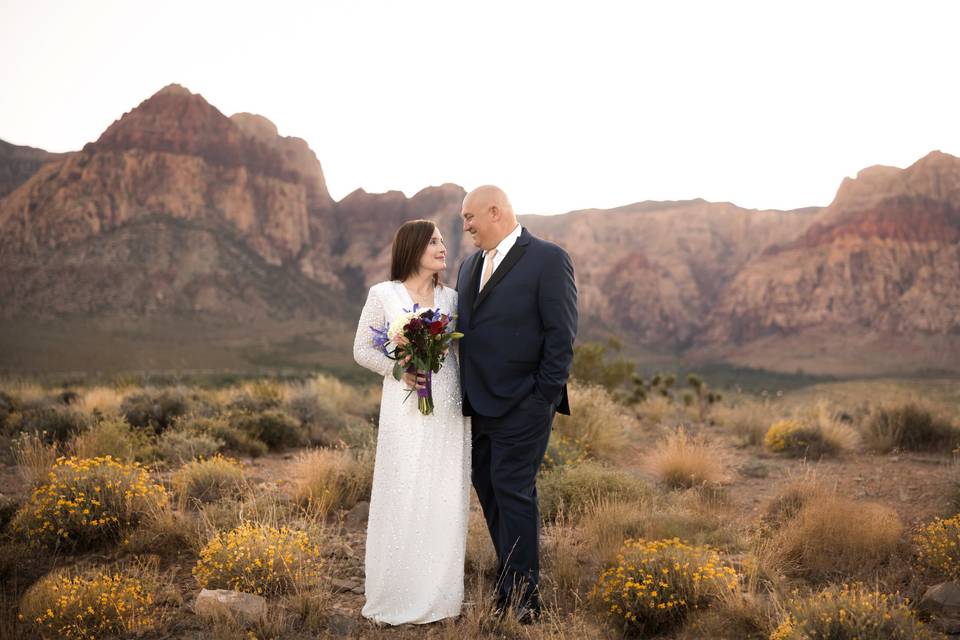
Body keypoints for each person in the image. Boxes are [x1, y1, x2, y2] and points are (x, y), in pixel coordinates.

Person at [455, 185, 578, 621]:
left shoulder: (547, 258)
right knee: (489, 491)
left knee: (513, 491)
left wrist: (541, 398)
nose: (465, 226)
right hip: (477, 405)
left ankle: (526, 600)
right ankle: (508, 583)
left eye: (469, 217)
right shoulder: (469, 266)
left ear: (495, 211)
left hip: (523, 405)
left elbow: (560, 336)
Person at [352, 219, 471, 625]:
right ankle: (396, 591)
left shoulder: (453, 298)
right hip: (404, 409)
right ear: (413, 247)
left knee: (441, 494)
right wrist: (399, 370)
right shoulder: (383, 294)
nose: (442, 247)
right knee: (402, 491)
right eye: (434, 241)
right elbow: (362, 349)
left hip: (448, 407)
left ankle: (439, 596)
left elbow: (458, 353)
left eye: (442, 241)